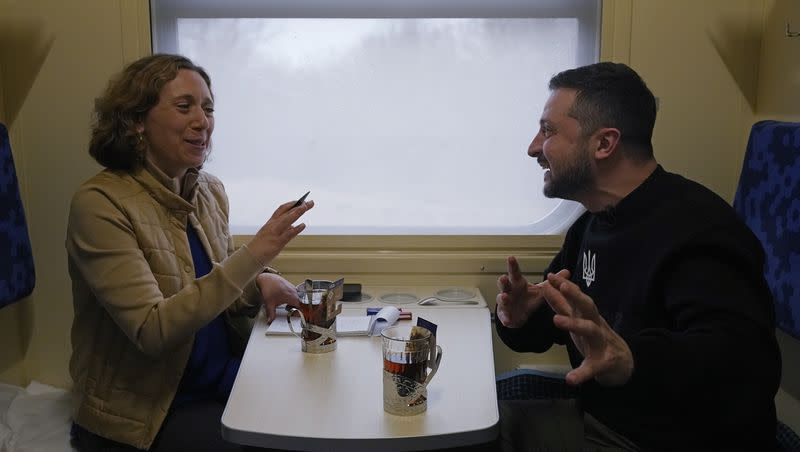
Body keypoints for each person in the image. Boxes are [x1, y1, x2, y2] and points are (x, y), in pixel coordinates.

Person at [494, 62, 781, 452]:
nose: (533, 147)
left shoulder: (700, 229)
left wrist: (631, 360)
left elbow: (745, 367)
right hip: (600, 421)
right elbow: (568, 326)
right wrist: (522, 318)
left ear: (604, 144)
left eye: (548, 131)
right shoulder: (590, 224)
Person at [66, 54, 313, 451]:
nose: (203, 121)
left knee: (319, 405)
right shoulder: (100, 204)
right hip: (151, 410)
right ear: (136, 121)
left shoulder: (207, 191)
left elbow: (215, 294)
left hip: (219, 377)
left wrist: (259, 282)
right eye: (185, 107)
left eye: (209, 108)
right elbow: (153, 330)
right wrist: (255, 256)